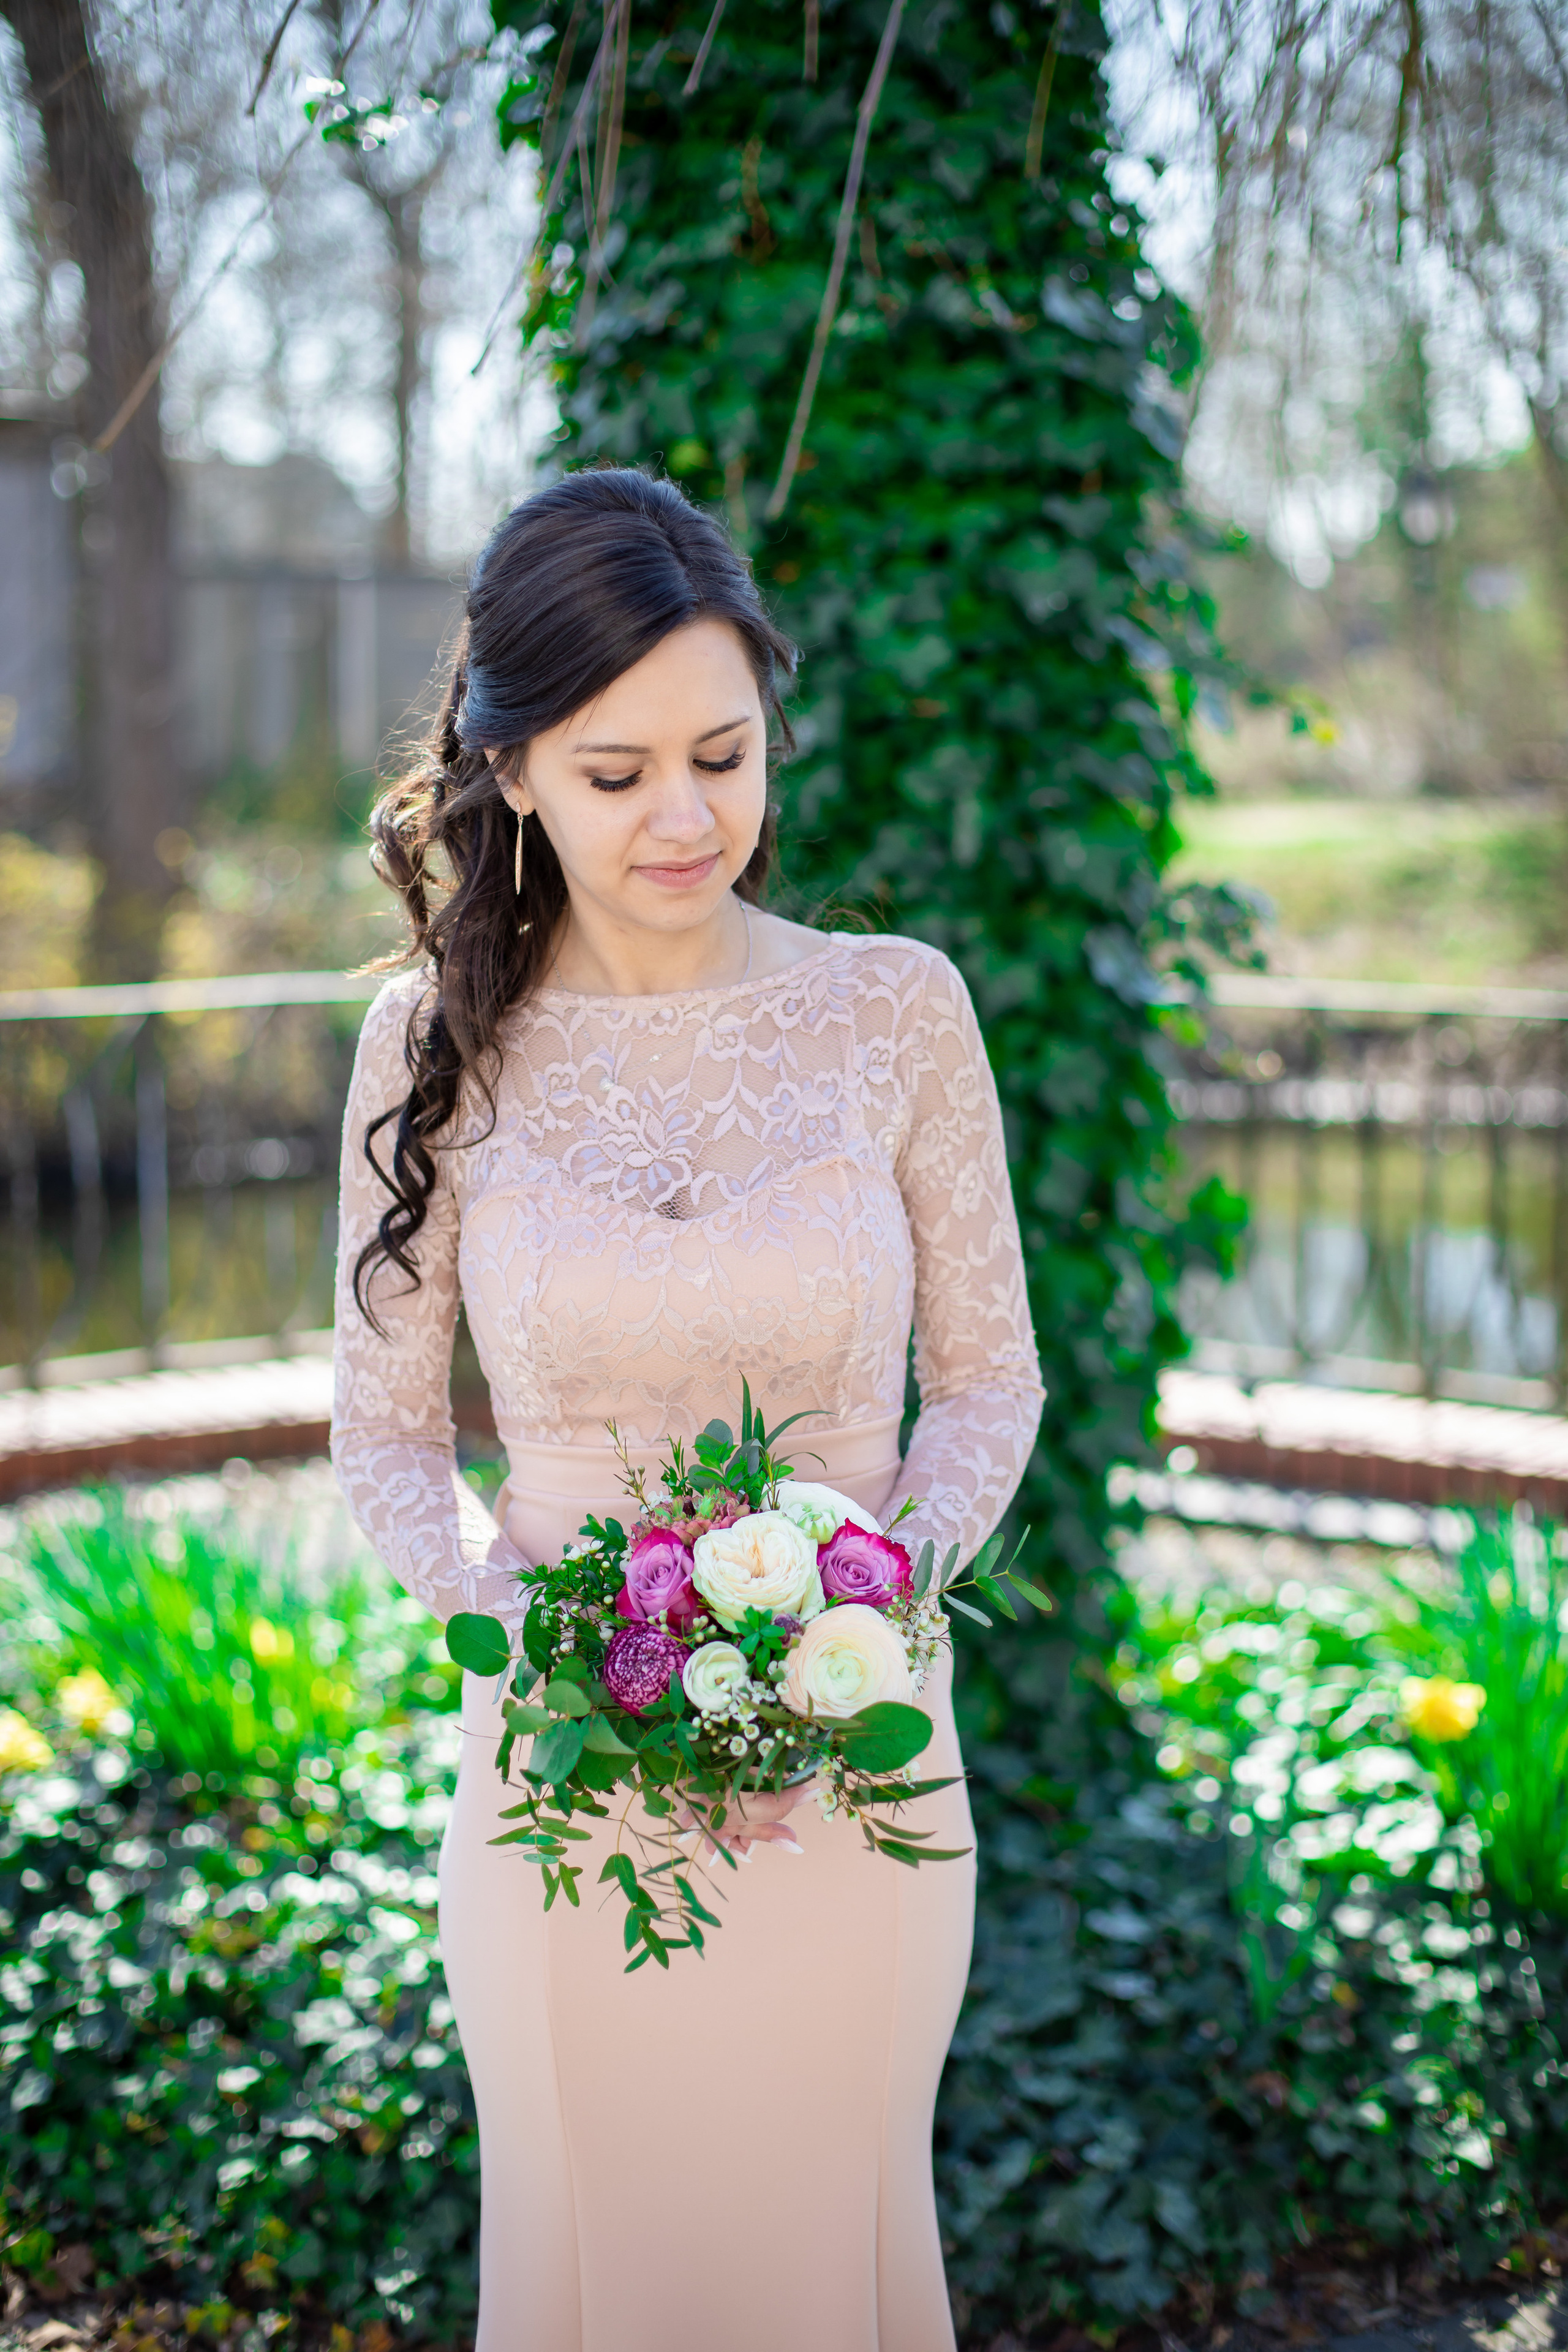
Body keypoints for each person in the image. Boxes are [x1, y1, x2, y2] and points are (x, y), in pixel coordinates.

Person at [331, 466, 1044, 2352]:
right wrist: (533, 1636)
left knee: (832, 2242)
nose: (685, 816)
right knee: (594, 2256)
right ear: (510, 772)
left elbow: (987, 1386)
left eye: (723, 755)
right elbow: (388, 1437)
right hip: (559, 1779)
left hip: (855, 1757)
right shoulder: (428, 1043)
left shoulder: (898, 1012)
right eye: (617, 770)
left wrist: (869, 1599)